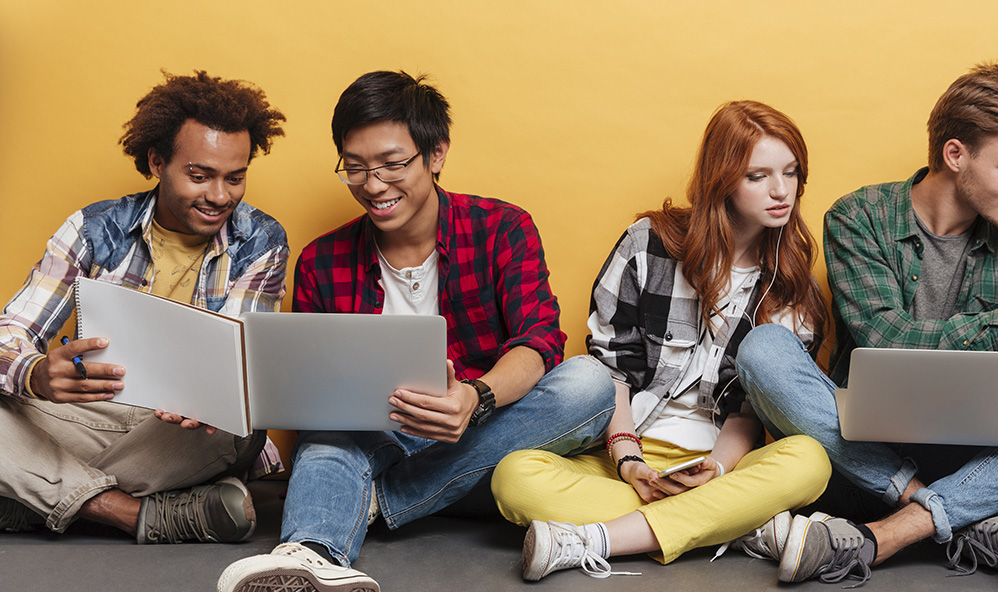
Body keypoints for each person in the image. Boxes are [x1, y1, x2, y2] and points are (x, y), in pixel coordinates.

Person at [217, 71, 615, 592]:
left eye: (392, 164)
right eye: (355, 168)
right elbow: (313, 396)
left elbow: (539, 341)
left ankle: (375, 500)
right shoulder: (320, 261)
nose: (374, 185)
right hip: (371, 439)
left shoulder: (502, 228)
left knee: (590, 382)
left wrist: (476, 398)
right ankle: (310, 556)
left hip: (484, 439)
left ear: (437, 154)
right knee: (327, 434)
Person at [735, 63, 998, 585]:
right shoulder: (859, 215)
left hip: (980, 459)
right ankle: (960, 523)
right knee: (762, 349)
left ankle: (898, 531)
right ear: (955, 155)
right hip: (862, 455)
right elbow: (884, 337)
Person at [489, 100, 831, 581]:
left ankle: (597, 540)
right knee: (513, 478)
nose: (782, 191)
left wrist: (715, 470)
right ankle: (739, 524)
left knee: (811, 461)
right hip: (628, 453)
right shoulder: (647, 245)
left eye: (792, 173)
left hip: (722, 464)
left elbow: (750, 413)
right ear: (722, 180)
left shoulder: (794, 287)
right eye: (758, 176)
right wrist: (631, 463)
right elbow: (612, 373)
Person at [0, 71, 288, 543]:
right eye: (200, 175)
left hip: (190, 434)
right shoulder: (93, 228)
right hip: (92, 418)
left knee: (240, 423)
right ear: (157, 161)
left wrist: (211, 391)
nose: (220, 196)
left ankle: (26, 494)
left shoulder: (260, 240)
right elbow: (11, 331)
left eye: (234, 178)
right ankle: (129, 514)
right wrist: (34, 373)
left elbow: (236, 365)